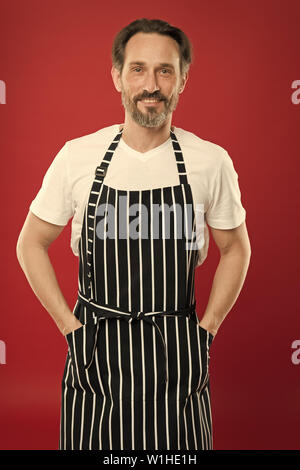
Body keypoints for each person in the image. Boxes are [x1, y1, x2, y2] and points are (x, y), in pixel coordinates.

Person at [16, 18, 251, 451]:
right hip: (96, 350)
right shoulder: (77, 157)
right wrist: (71, 328)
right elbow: (30, 243)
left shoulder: (210, 161)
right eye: (138, 69)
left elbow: (235, 247)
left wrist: (207, 330)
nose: (151, 85)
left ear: (183, 79)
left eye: (165, 70)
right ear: (117, 77)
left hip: (177, 351)